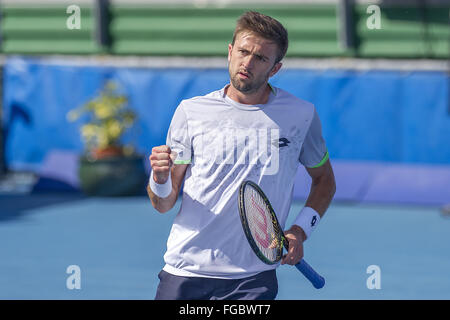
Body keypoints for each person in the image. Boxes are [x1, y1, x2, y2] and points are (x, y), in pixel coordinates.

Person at [147, 11, 336, 300]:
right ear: (230, 52)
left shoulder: (302, 115)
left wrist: (300, 230)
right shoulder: (190, 111)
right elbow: (163, 204)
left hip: (253, 280)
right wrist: (160, 179)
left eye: (260, 58)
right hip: (185, 271)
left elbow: (324, 181)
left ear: (275, 69)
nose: (247, 63)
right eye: (243, 52)